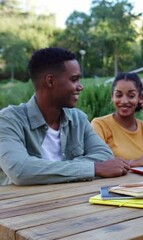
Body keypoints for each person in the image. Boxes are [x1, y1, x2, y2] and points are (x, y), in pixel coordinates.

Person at [0, 47, 130, 186]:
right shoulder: (8, 121)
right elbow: (20, 171)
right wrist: (93, 168)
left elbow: (104, 156)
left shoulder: (78, 119)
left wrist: (42, 170)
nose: (81, 87)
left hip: (70, 201)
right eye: (74, 80)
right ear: (50, 81)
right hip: (21, 205)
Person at [91, 72, 143, 167]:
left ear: (139, 97)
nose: (124, 101)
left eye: (131, 96)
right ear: (112, 97)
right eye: (119, 95)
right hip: (113, 182)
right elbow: (97, 162)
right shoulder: (100, 125)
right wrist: (133, 163)